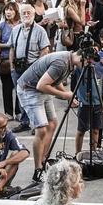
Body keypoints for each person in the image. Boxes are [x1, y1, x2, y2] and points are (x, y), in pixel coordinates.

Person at [17, 50, 81, 179]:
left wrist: (69, 96)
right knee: (41, 130)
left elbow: (55, 81)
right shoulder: (61, 62)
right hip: (30, 90)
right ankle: (38, 170)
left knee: (52, 124)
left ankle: (43, 159)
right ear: (82, 57)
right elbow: (41, 85)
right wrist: (64, 95)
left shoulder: (68, 61)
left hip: (41, 89)